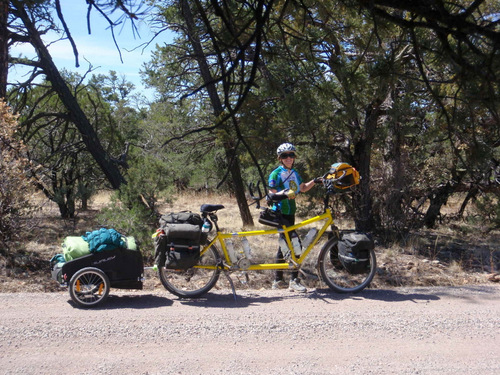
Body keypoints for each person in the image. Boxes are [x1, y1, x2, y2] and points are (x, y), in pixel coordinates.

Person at [268, 142, 322, 292]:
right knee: (295, 244)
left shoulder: (295, 173)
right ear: (280, 158)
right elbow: (271, 193)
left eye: (291, 155)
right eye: (285, 156)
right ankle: (294, 280)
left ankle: (278, 280)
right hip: (280, 213)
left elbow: (303, 188)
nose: (288, 158)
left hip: (291, 213)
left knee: (283, 246)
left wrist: (315, 181)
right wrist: (283, 193)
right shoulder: (276, 173)